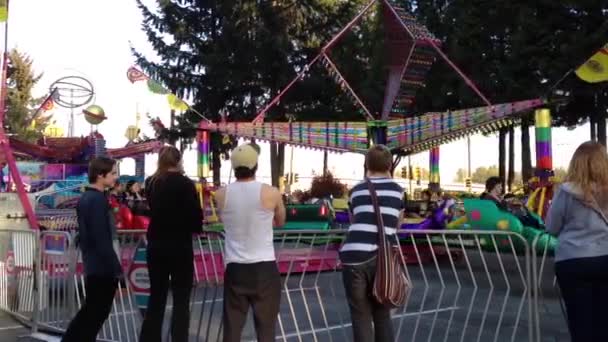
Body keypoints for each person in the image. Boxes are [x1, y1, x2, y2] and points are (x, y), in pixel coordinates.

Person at [214, 143, 286, 342]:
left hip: (235, 267)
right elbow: (280, 221)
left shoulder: (221, 194)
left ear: (234, 167)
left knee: (232, 328)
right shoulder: (271, 193)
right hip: (264, 268)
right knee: (266, 329)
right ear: (256, 165)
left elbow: (221, 218)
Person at [339, 145, 404, 342]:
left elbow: (354, 220)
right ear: (389, 164)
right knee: (382, 315)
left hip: (353, 256)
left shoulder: (356, 190)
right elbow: (397, 225)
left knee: (360, 316)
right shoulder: (398, 191)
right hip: (382, 258)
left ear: (366, 164)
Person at [139, 146, 203, 342]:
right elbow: (195, 218)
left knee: (156, 297)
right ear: (178, 161)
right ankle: (178, 338)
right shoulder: (185, 184)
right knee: (181, 299)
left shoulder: (151, 182)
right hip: (179, 245)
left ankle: (149, 338)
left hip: (156, 244)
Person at [545, 141, 608, 342]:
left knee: (580, 322)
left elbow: (551, 227)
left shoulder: (565, 192)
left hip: (572, 260)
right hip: (605, 257)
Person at [62, 157, 121, 342]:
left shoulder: (87, 198)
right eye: (112, 173)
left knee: (91, 312)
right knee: (96, 313)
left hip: (93, 263)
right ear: (100, 175)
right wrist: (117, 269)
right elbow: (101, 238)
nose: (115, 177)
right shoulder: (96, 200)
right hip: (101, 266)